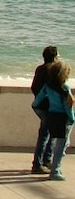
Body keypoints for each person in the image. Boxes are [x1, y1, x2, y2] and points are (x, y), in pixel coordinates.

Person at [36, 59, 75, 181]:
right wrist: (72, 118)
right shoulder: (65, 89)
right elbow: (67, 107)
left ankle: (55, 167)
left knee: (59, 143)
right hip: (63, 118)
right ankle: (55, 171)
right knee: (61, 145)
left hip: (52, 116)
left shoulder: (48, 87)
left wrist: (43, 114)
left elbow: (36, 102)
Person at [31, 45, 60, 173]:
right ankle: (38, 164)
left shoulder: (40, 69)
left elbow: (34, 87)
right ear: (54, 57)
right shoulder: (53, 70)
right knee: (46, 135)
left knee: (47, 133)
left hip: (38, 106)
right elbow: (56, 89)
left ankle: (45, 160)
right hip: (49, 107)